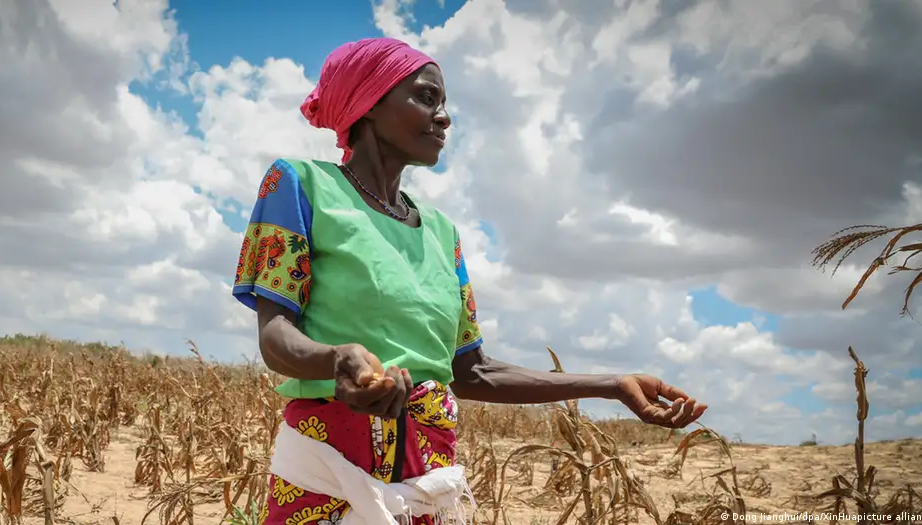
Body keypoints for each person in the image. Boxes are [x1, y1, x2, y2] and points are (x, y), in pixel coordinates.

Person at [231, 37, 707, 525]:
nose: (444, 117)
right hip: (325, 484)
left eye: (445, 103)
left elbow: (471, 371)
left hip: (426, 490)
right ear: (369, 101)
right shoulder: (300, 186)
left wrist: (612, 385)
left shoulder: (442, 233)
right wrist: (336, 360)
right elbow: (276, 336)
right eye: (426, 97)